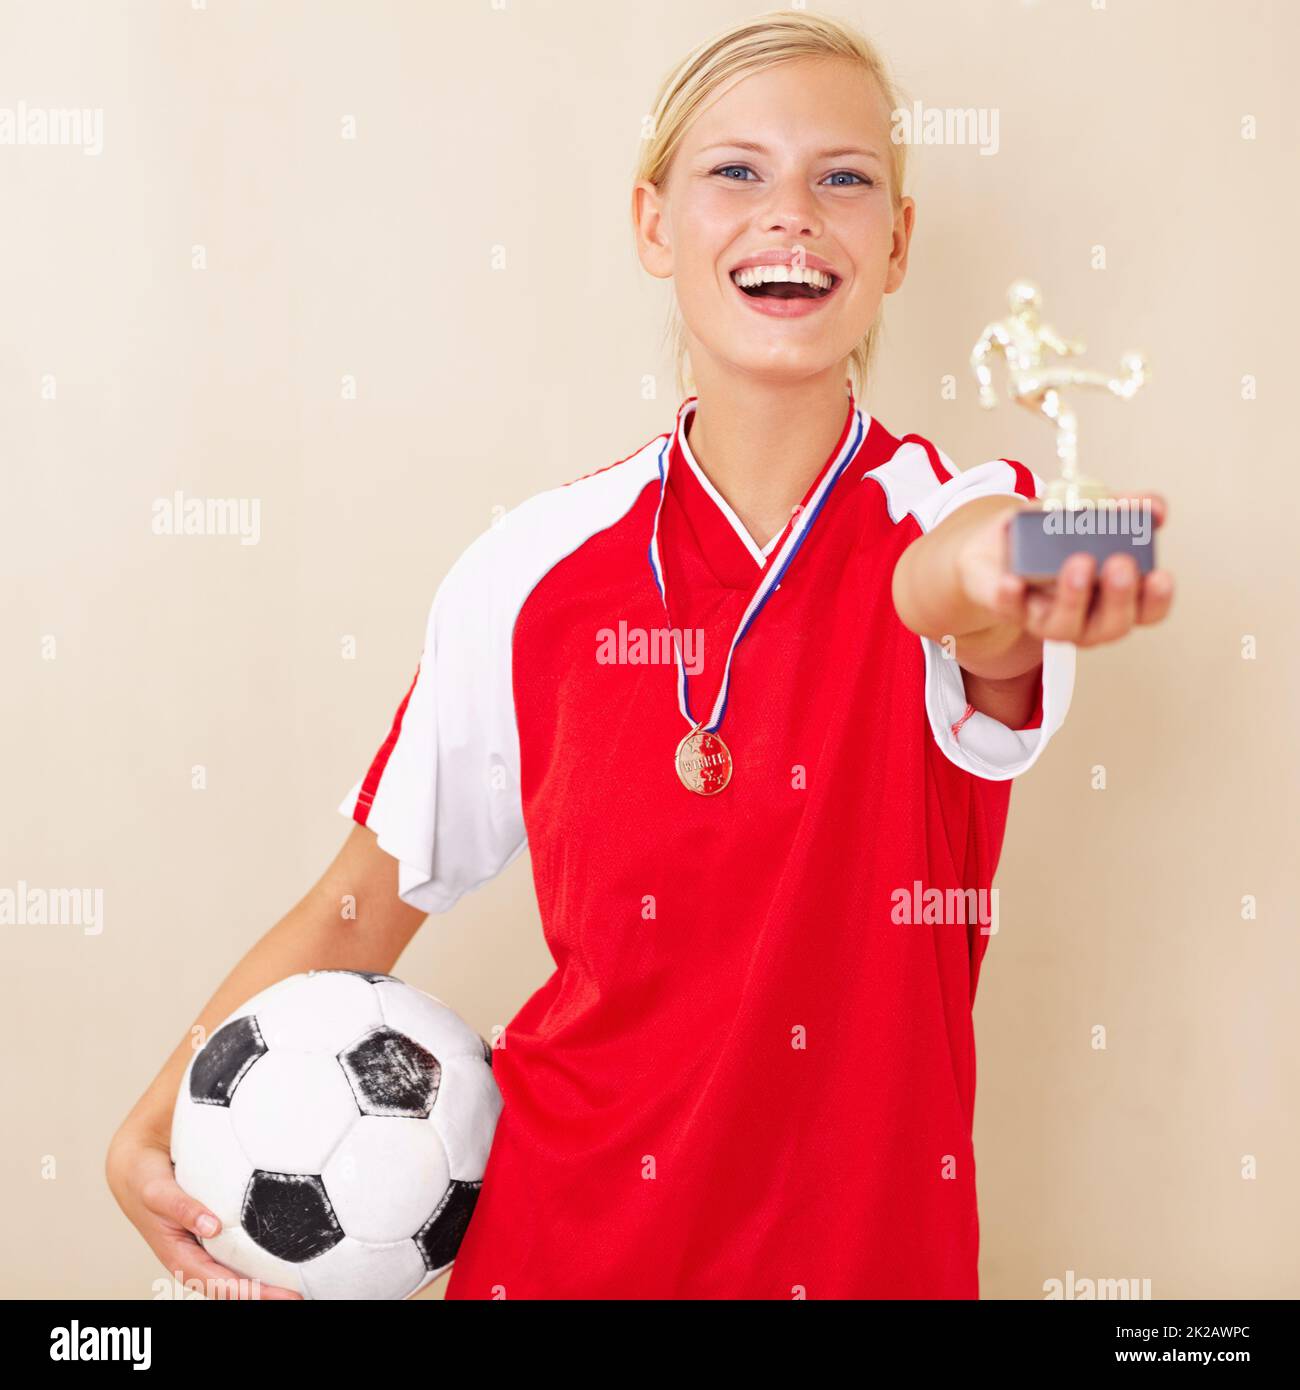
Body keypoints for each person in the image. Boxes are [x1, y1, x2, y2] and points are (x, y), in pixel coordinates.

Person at [107, 9, 1173, 1299]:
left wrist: (1022, 564)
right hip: (559, 1256)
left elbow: (957, 583)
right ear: (654, 224)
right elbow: (358, 905)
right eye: (737, 171)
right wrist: (152, 1124)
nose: (792, 212)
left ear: (896, 244)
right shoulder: (530, 568)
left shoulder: (947, 511)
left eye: (844, 178)